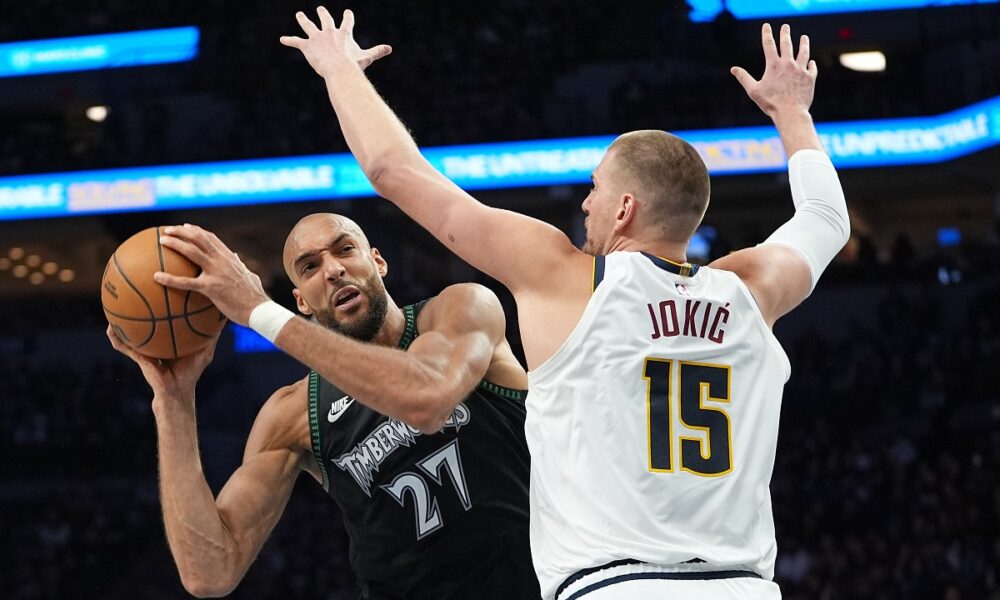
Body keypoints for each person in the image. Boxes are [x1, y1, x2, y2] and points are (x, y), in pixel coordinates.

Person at [280, 9, 849, 600]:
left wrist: (339, 69)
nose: (585, 202)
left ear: (625, 209)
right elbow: (826, 219)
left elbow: (392, 169)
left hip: (613, 586)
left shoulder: (566, 278)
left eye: (597, 187)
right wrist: (793, 114)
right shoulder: (752, 289)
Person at [109, 212, 541, 599]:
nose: (333, 270)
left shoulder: (460, 308)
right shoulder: (294, 413)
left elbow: (426, 400)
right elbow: (210, 571)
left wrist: (261, 312)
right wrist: (173, 399)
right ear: (301, 301)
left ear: (378, 261)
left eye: (345, 250)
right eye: (310, 267)